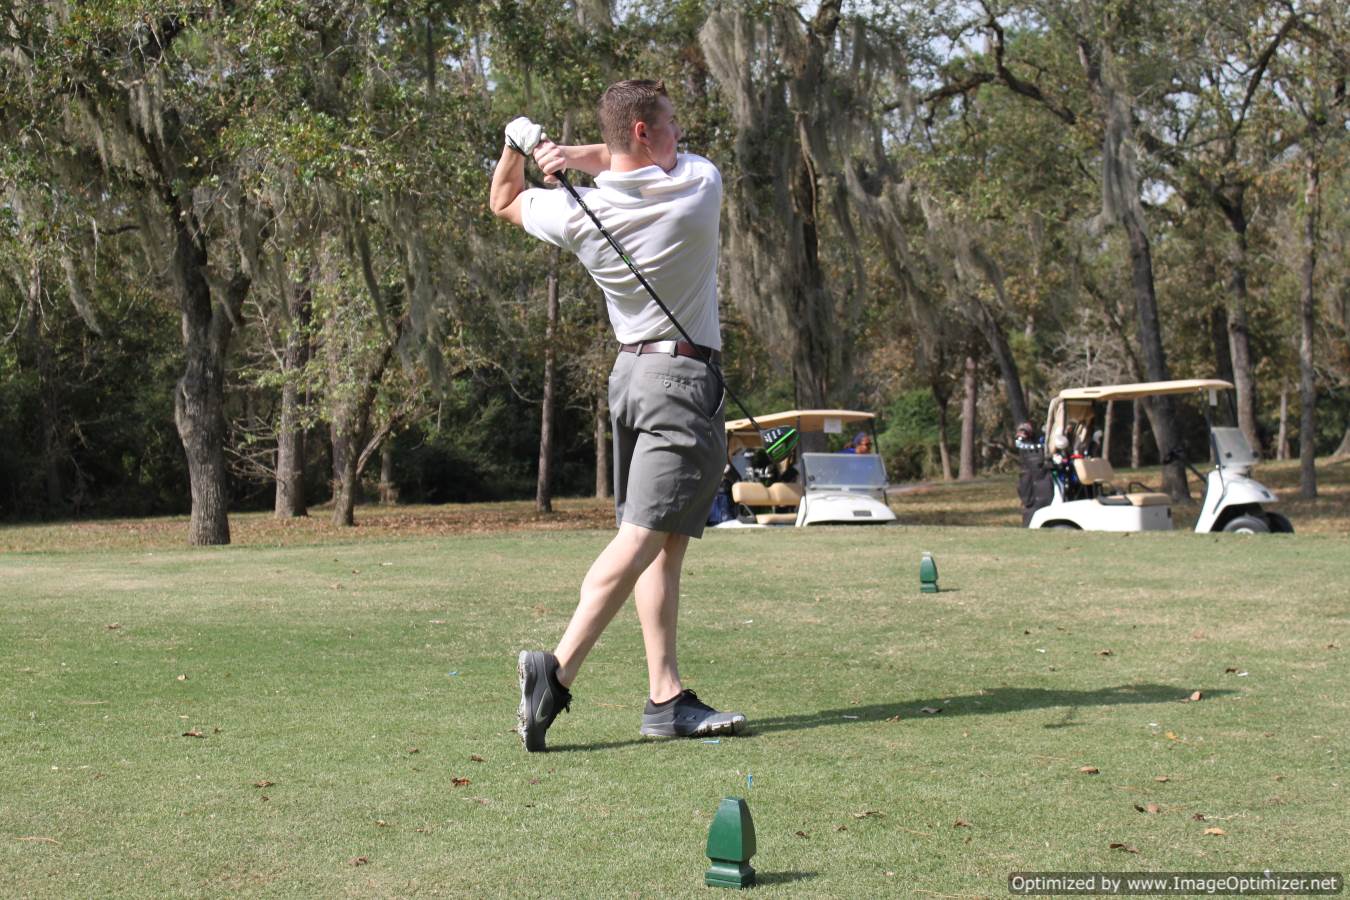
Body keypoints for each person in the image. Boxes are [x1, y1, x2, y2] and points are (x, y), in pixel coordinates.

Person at [489, 80, 746, 752]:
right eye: (670, 125)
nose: (679, 137)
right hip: (682, 381)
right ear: (643, 131)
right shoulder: (698, 183)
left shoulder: (579, 216)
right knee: (642, 538)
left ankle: (665, 697)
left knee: (663, 542)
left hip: (630, 376)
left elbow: (505, 201)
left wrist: (520, 146)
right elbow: (634, 165)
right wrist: (571, 153)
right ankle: (557, 669)